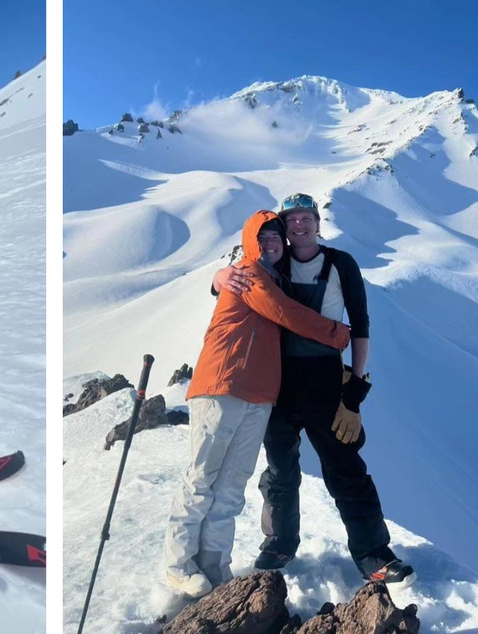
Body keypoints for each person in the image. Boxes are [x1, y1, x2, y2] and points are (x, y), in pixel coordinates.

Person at [213, 193, 414, 583]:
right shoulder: (275, 262)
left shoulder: (341, 264)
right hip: (279, 378)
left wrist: (355, 388)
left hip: (325, 380)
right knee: (280, 467)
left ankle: (373, 553)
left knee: (345, 467)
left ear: (319, 223)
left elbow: (360, 325)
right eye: (292, 221)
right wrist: (218, 277)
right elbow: (238, 278)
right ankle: (279, 542)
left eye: (306, 219)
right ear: (285, 230)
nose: (299, 226)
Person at [165, 210, 351, 598]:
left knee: (232, 486)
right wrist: (336, 333)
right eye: (263, 236)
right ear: (250, 240)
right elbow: (286, 313)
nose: (271, 243)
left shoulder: (274, 278)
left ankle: (215, 566)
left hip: (260, 394)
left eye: (276, 237)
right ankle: (178, 565)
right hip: (223, 384)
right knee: (202, 479)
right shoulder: (249, 272)